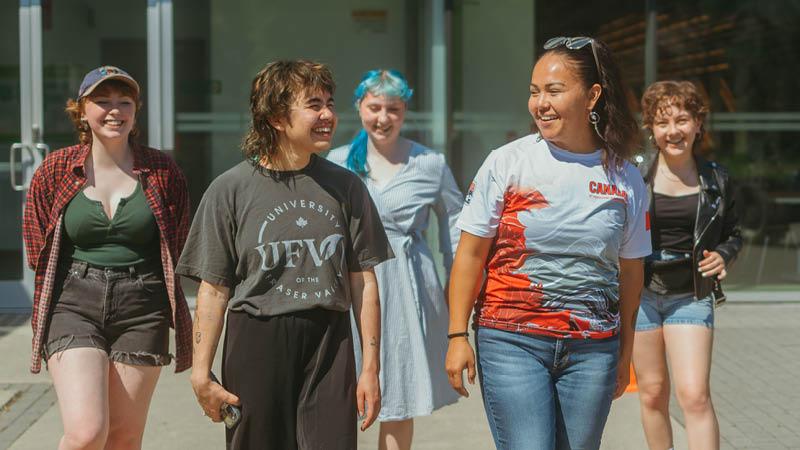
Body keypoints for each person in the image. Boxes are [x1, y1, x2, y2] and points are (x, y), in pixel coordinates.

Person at [445, 36, 652, 449]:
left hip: (593, 350)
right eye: (534, 91)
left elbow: (631, 271)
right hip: (510, 341)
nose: (540, 103)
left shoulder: (625, 177)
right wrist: (456, 337)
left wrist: (625, 351)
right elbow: (470, 255)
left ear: (592, 95)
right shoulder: (507, 162)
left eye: (554, 91)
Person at [177, 60, 394, 450]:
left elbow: (364, 282)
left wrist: (370, 368)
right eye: (313, 104)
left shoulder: (346, 187)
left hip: (330, 341)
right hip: (257, 339)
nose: (328, 114)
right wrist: (200, 373)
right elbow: (213, 289)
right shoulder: (230, 190)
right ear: (277, 118)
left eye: (329, 102)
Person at [23, 65, 192, 450]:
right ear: (82, 110)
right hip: (73, 302)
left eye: (124, 102)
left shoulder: (163, 171)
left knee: (123, 438)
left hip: (142, 306)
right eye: (102, 101)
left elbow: (178, 242)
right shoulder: (55, 169)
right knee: (85, 435)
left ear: (136, 110)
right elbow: (37, 244)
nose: (114, 111)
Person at [328, 69, 462, 450]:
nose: (383, 118)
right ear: (359, 108)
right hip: (353, 283)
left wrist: (456, 287)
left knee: (398, 392)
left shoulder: (429, 163)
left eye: (393, 109)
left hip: (408, 285)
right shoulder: (338, 163)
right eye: (374, 107)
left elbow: (455, 224)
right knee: (345, 386)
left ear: (405, 112)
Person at [633, 80, 742, 450]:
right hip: (642, 294)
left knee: (694, 395)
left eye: (682, 120)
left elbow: (734, 233)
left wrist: (724, 255)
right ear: (651, 128)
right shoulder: (635, 175)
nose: (673, 131)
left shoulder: (717, 179)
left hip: (691, 295)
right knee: (651, 393)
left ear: (698, 124)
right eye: (662, 122)